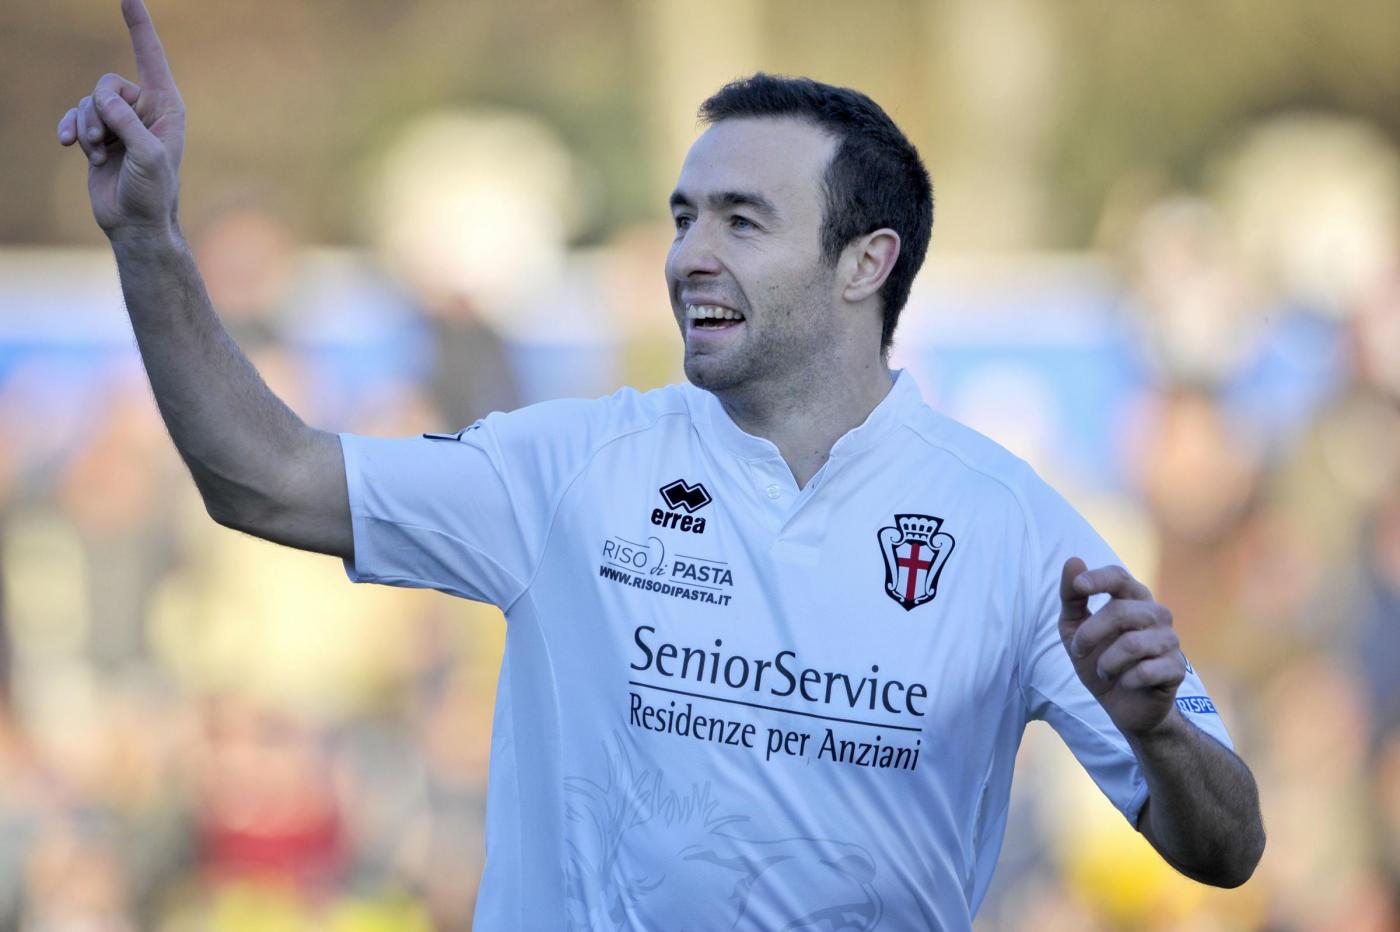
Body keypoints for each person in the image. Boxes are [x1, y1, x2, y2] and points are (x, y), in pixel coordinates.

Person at [58, 1, 1265, 928]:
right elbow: (263, 475)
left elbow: (1226, 844)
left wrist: (1157, 734)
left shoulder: (1007, 524)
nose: (689, 253)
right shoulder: (568, 467)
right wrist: (149, 239)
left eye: (741, 219)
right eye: (685, 215)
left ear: (864, 262)